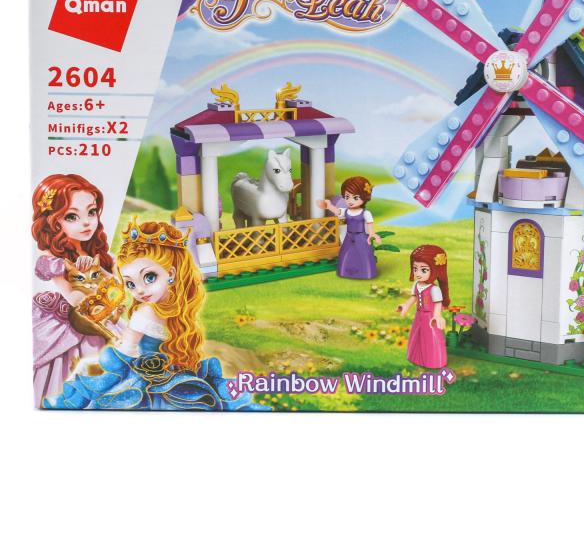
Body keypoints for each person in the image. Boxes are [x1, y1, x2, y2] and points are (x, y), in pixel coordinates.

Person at [44, 220, 267, 411]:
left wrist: (114, 352)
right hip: (177, 372)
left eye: (149, 277)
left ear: (171, 273)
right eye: (131, 284)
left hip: (143, 380)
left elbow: (125, 353)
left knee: (95, 378)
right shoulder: (177, 308)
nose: (139, 291)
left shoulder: (145, 311)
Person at [31, 174, 115, 407]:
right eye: (72, 216)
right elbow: (75, 298)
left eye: (92, 212)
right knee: (76, 366)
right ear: (54, 222)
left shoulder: (94, 252)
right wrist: (85, 275)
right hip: (70, 323)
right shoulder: (52, 259)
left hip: (99, 314)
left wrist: (99, 271)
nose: (86, 222)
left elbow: (116, 285)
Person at [316, 176, 380, 279]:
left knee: (362, 255)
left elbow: (369, 224)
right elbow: (337, 211)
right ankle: (347, 272)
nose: (350, 200)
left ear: (364, 197)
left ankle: (364, 273)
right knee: (346, 254)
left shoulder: (365, 213)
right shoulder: (346, 211)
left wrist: (372, 234)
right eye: (347, 197)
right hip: (349, 237)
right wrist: (328, 206)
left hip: (361, 237)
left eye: (355, 198)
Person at [397, 244, 449, 369]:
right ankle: (416, 358)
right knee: (417, 335)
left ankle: (432, 361)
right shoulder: (417, 284)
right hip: (419, 315)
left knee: (430, 338)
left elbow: (438, 304)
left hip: (430, 318)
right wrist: (405, 305)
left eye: (423, 270)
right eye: (415, 269)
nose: (418, 273)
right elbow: (414, 297)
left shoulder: (434, 289)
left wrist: (437, 316)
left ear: (435, 270)